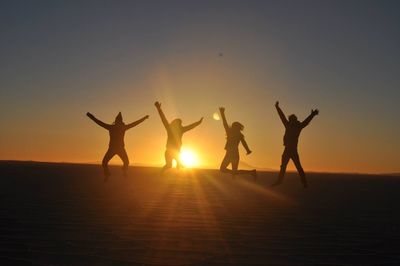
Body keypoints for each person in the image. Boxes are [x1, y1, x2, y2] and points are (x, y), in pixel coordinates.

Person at [87, 112, 149, 180]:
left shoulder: (115, 127)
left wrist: (91, 117)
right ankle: (112, 173)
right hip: (115, 148)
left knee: (110, 162)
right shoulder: (120, 127)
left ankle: (119, 172)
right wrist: (91, 117)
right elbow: (134, 123)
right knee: (119, 162)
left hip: (117, 148)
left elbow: (100, 123)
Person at [272, 101, 319, 188]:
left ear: (290, 120)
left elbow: (282, 117)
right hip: (293, 149)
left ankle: (280, 181)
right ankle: (304, 182)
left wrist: (277, 107)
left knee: (284, 166)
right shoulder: (298, 126)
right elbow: (306, 121)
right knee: (297, 167)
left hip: (289, 149)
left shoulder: (289, 125)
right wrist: (313, 115)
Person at [154, 101, 203, 171]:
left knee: (175, 164)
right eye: (179, 123)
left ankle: (178, 165)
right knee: (169, 165)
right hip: (170, 151)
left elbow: (191, 126)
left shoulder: (180, 129)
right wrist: (158, 108)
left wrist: (198, 122)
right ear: (176, 124)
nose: (181, 125)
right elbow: (163, 119)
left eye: (180, 123)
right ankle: (169, 168)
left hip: (175, 151)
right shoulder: (170, 128)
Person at [219, 107, 257, 179]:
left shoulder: (232, 133)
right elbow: (244, 143)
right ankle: (251, 172)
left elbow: (225, 123)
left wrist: (222, 113)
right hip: (233, 153)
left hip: (231, 154)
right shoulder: (237, 134)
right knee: (231, 171)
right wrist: (247, 150)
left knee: (226, 170)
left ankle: (251, 172)